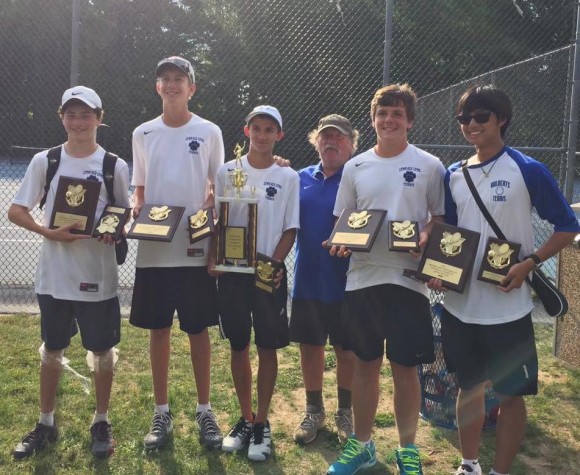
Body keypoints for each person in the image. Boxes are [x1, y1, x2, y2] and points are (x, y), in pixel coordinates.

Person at [429, 85, 580, 475]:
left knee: (512, 395)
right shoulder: (453, 175)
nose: (472, 125)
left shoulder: (527, 169)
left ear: (502, 119)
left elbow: (566, 226)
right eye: (464, 118)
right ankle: (469, 465)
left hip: (508, 310)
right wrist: (439, 272)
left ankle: (499, 471)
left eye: (481, 116)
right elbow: (448, 231)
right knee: (469, 388)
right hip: (461, 308)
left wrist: (529, 263)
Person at [327, 84, 446, 475]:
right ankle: (362, 445)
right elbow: (343, 218)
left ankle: (408, 449)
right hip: (363, 278)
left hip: (408, 279)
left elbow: (438, 217)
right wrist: (340, 241)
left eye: (397, 113)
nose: (389, 120)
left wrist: (428, 236)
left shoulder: (430, 165)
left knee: (404, 367)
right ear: (373, 119)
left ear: (409, 121)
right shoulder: (356, 166)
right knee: (365, 362)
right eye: (383, 113)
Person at [8, 86, 130, 459]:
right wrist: (49, 232)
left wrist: (114, 230)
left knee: (102, 350)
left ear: (99, 117)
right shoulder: (47, 161)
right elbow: (17, 210)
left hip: (98, 275)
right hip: (55, 275)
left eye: (86, 114)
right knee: (52, 348)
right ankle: (45, 422)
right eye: (71, 114)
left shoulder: (113, 165)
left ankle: (101, 419)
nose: (78, 121)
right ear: (61, 117)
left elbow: (123, 212)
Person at [129, 56, 224, 451]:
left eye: (179, 79)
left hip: (194, 249)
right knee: (159, 330)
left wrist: (207, 209)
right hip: (155, 251)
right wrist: (138, 210)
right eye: (165, 79)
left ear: (191, 88)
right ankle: (161, 410)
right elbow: (139, 188)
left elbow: (218, 185)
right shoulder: (143, 132)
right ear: (157, 87)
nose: (171, 85)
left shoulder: (209, 131)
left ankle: (205, 409)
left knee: (198, 330)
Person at [209, 105, 299, 461]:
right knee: (238, 345)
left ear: (279, 135)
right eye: (256, 128)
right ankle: (245, 418)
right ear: (246, 131)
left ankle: (262, 423)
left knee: (267, 346)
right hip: (232, 274)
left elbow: (290, 228)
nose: (262, 135)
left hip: (267, 273)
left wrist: (274, 263)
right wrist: (215, 257)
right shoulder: (227, 171)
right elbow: (218, 221)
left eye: (269, 130)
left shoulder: (287, 176)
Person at [290, 114, 359, 445]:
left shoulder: (360, 177)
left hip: (349, 281)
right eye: (325, 136)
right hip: (308, 279)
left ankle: (345, 412)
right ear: (315, 140)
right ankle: (314, 410)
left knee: (346, 349)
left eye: (339, 137)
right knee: (311, 346)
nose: (332, 141)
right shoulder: (299, 178)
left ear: (352, 143)